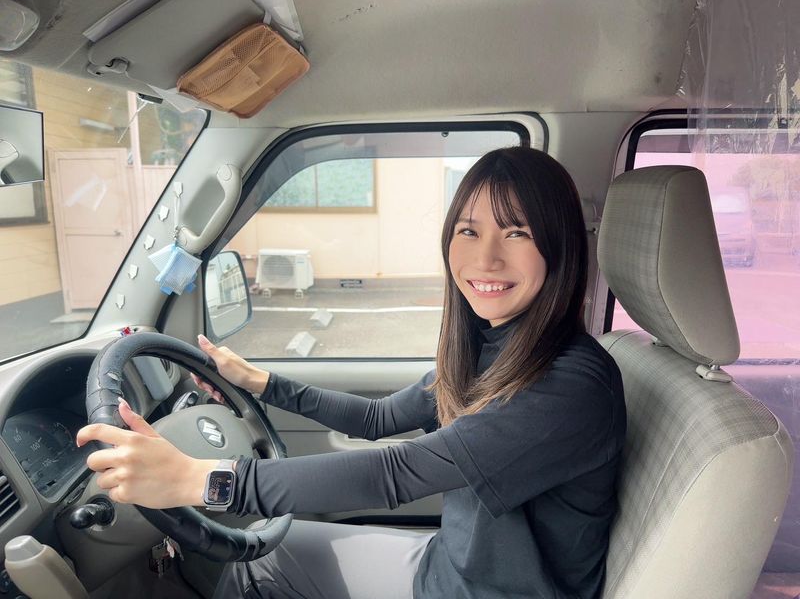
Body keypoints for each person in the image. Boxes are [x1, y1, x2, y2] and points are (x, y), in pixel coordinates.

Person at [77, 146, 626, 599]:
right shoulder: (491, 347)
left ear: (559, 246)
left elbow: (394, 474)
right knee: (264, 556)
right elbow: (378, 418)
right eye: (468, 231)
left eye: (517, 233)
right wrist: (260, 383)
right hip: (449, 569)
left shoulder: (570, 385)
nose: (485, 259)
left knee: (258, 566)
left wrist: (199, 480)